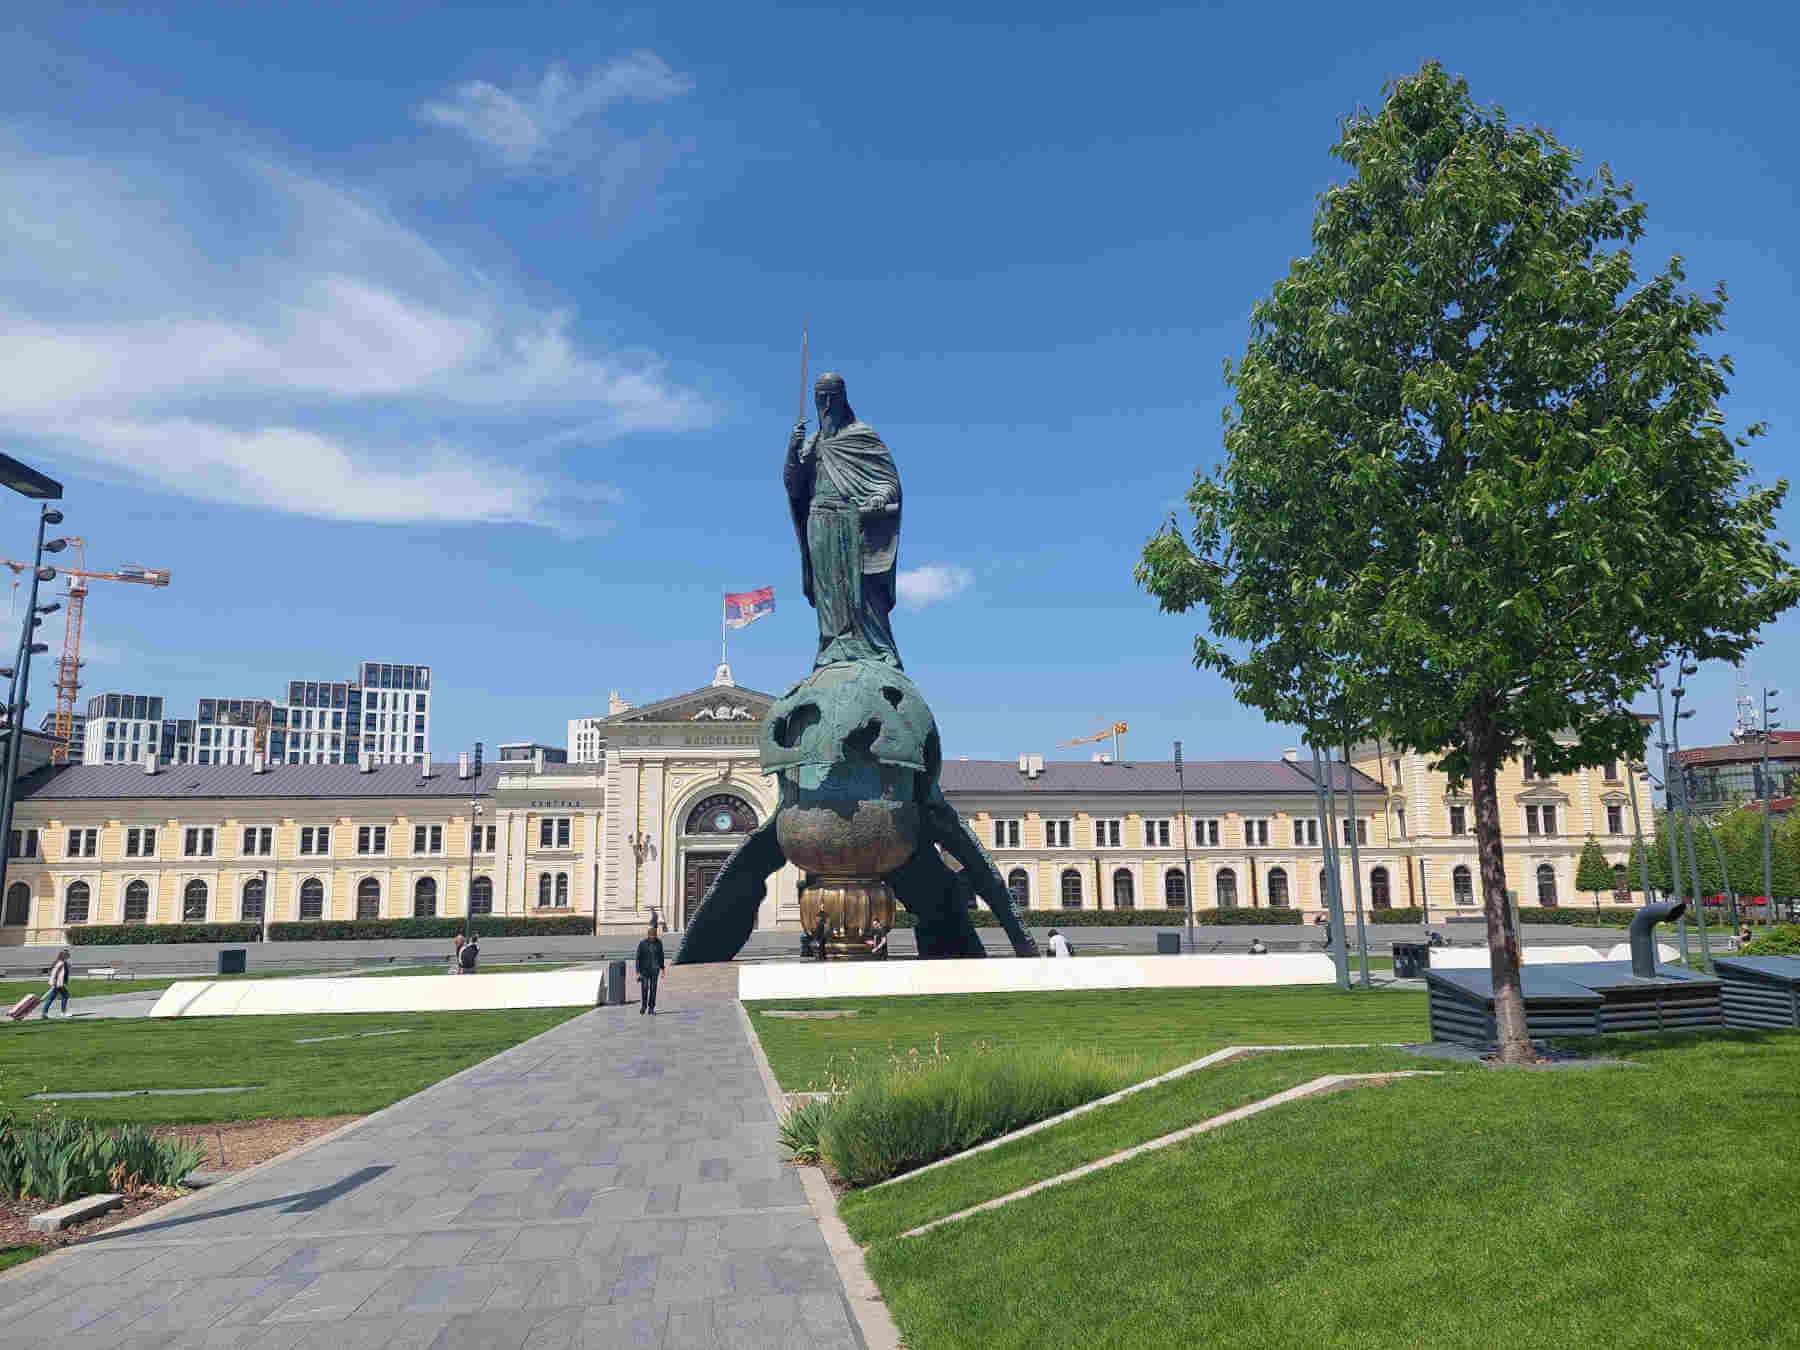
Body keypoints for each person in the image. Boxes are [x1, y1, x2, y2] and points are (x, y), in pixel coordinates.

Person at [784, 372, 904, 670]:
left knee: (860, 588)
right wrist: (792, 450)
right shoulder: (811, 444)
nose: (825, 405)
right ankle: (832, 646)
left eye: (830, 397)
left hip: (853, 521)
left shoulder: (862, 436)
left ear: (842, 399)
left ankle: (877, 648)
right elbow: (794, 486)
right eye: (819, 398)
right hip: (819, 521)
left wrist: (878, 497)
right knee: (829, 590)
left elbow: (889, 482)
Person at [635, 924, 666, 1015]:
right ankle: (644, 1006)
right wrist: (637, 971)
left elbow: (661, 956)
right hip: (644, 970)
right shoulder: (642, 943)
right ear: (648, 935)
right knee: (645, 988)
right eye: (651, 935)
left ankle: (651, 1008)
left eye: (654, 935)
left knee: (653, 989)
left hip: (655, 969)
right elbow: (638, 957)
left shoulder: (659, 943)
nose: (653, 937)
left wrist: (662, 968)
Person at [39, 948, 71, 1019]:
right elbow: (55, 973)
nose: (68, 956)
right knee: (65, 996)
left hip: (57, 983)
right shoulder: (61, 963)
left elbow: (54, 972)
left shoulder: (59, 962)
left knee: (52, 997)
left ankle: (45, 1013)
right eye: (67, 955)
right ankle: (62, 1013)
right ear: (64, 956)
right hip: (58, 984)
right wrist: (55, 982)